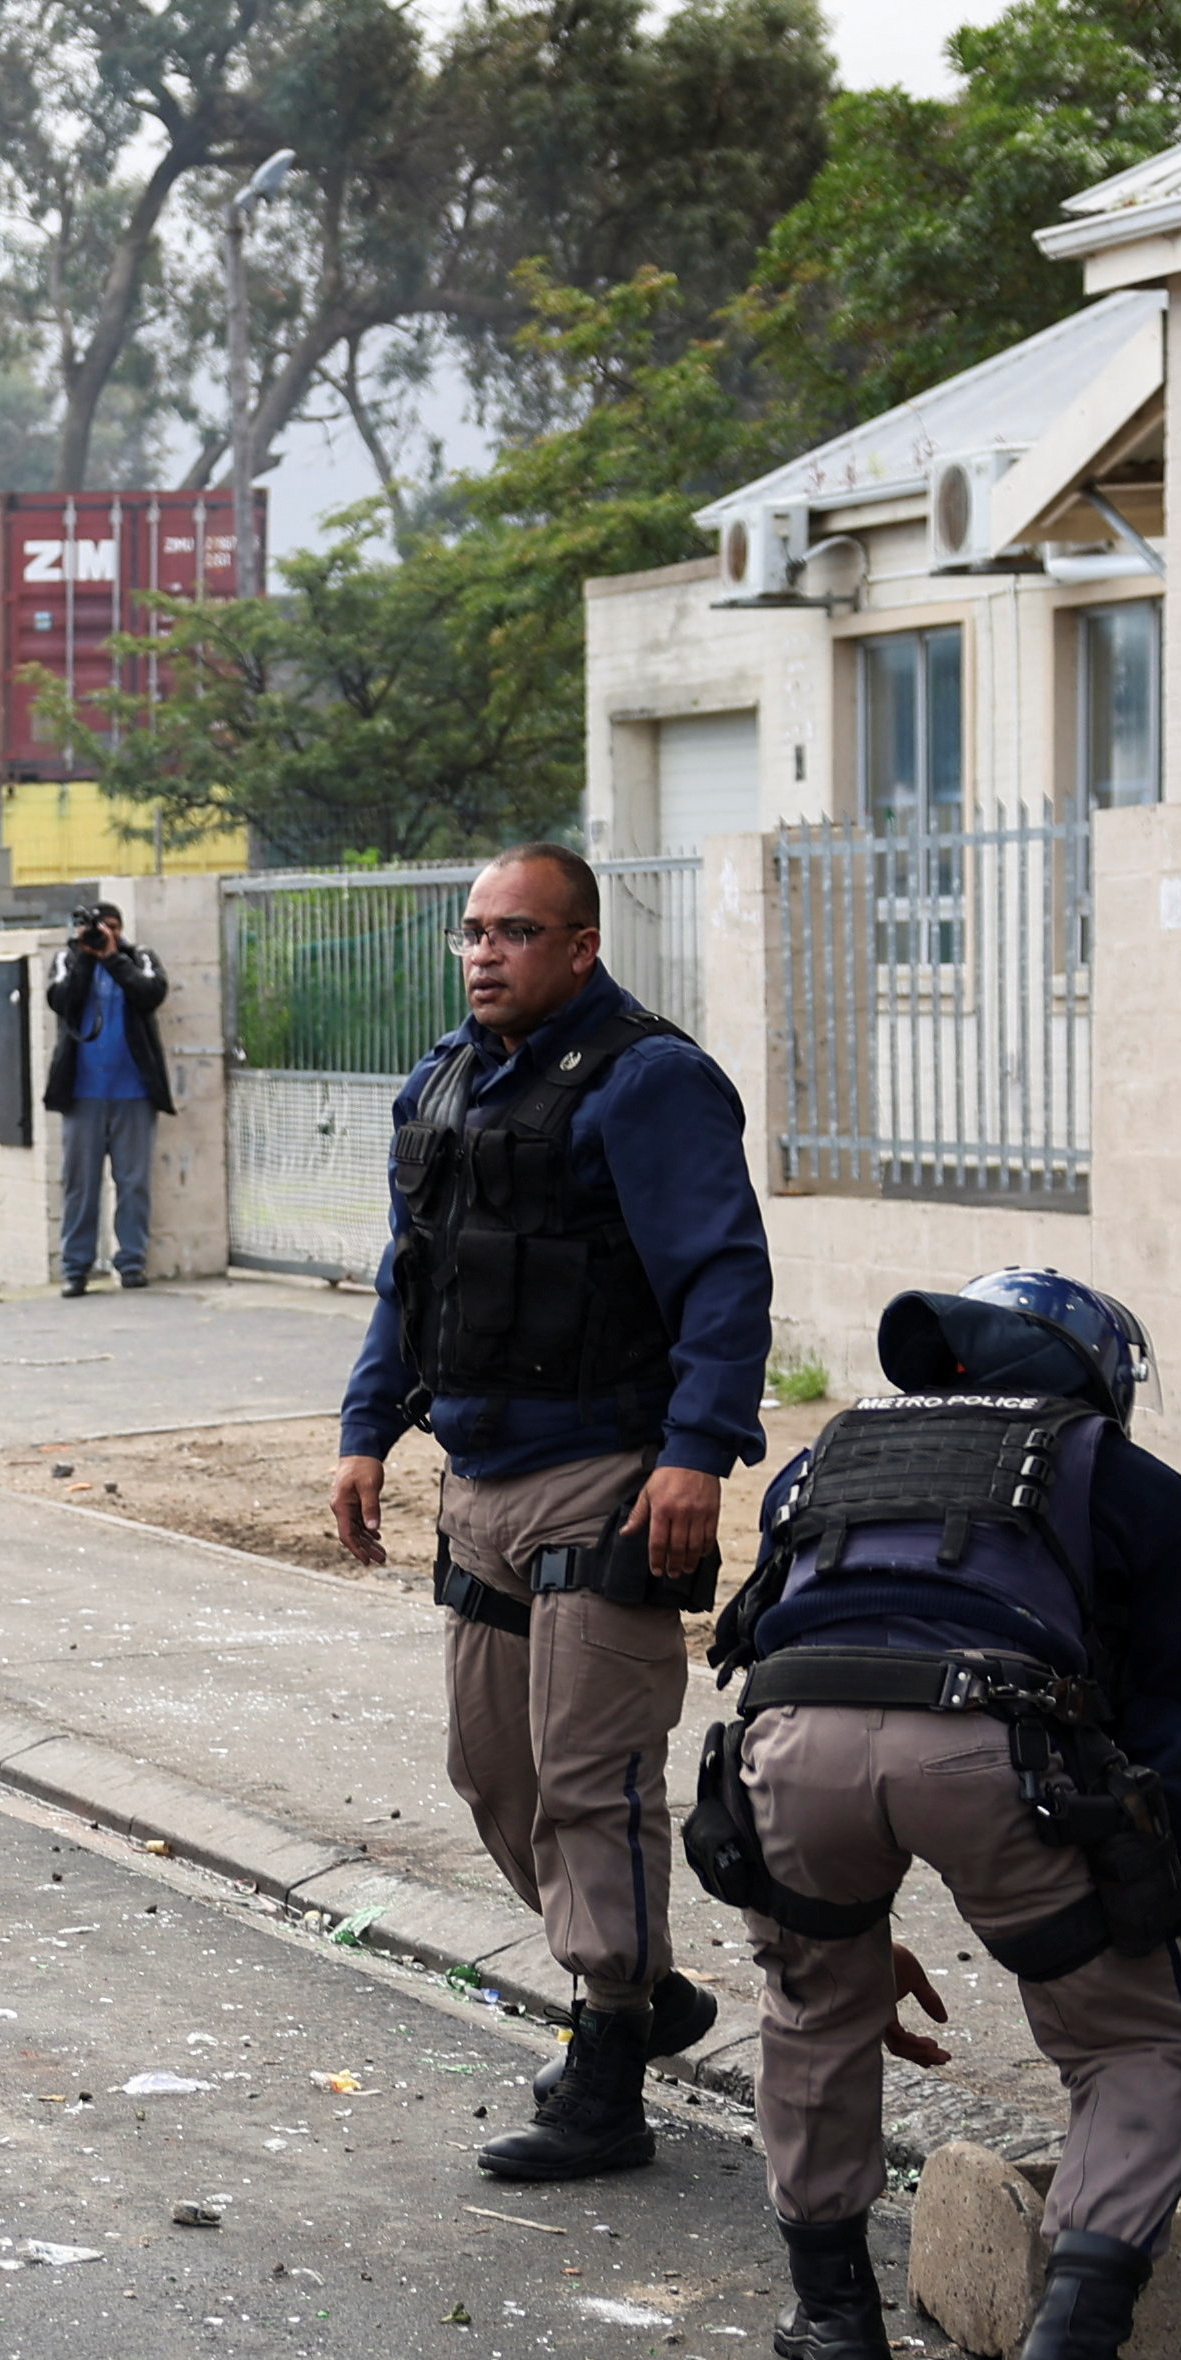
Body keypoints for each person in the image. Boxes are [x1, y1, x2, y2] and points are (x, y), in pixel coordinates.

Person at [686, 1271, 1181, 2360]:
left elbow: (775, 1627)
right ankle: (1072, 2349)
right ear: (1097, 1379)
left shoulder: (825, 1454)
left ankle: (831, 2318)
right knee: (1134, 2047)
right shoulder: (1124, 1482)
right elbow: (1169, 1751)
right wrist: (1180, 1954)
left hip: (787, 1745)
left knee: (815, 2006)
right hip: (991, 1746)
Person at [329, 843, 771, 2184]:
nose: (481, 954)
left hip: (607, 1474)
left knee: (590, 1781)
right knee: (492, 1771)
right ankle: (638, 1986)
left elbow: (721, 1277)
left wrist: (693, 1452)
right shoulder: (443, 1080)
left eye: (512, 932)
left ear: (578, 946)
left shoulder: (648, 1082)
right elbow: (409, 1281)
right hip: (476, 1476)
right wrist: (364, 1432)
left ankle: (604, 2074)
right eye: (470, 931)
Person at [43, 902, 172, 1297]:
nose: (106, 935)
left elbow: (151, 993)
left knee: (133, 1182)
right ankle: (76, 1267)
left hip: (133, 1092)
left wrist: (114, 958)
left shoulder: (140, 958)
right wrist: (86, 958)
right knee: (79, 1186)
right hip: (83, 1094)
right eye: (100, 929)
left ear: (122, 930)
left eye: (113, 928)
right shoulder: (67, 959)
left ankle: (131, 1262)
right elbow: (60, 1001)